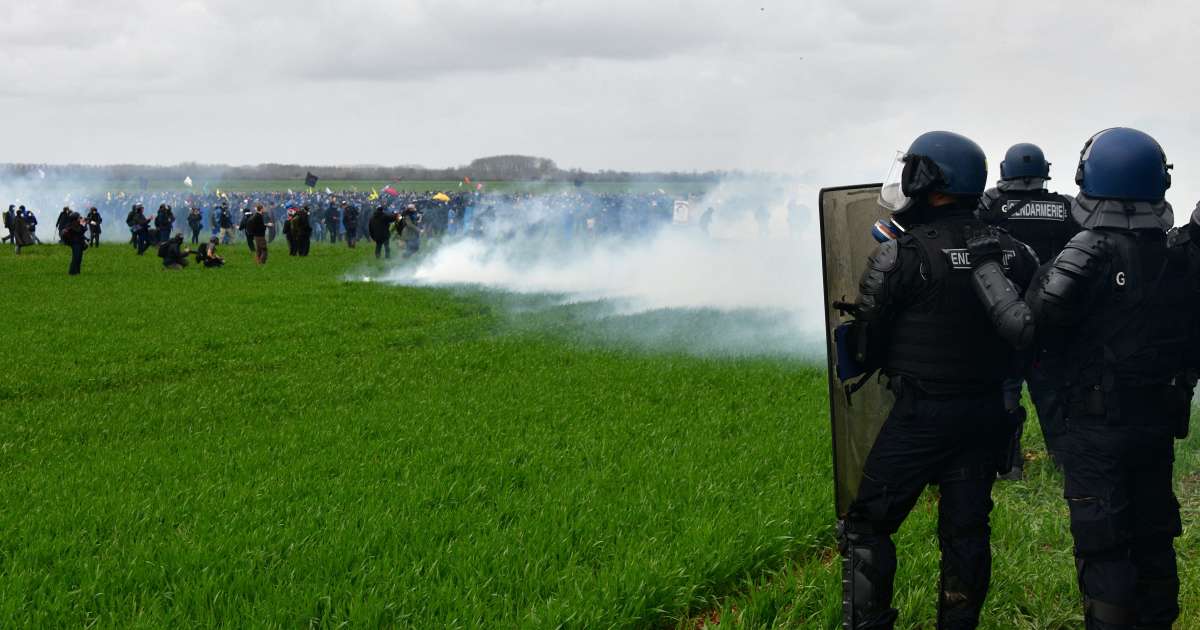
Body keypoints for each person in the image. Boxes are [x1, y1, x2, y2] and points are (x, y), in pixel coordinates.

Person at [840, 131, 1039, 629]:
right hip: (986, 415)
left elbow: (866, 346)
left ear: (930, 180)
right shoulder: (1015, 253)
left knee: (867, 526)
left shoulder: (900, 255)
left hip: (920, 418)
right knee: (966, 532)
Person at [1026, 128, 1193, 629]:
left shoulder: (1086, 252)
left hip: (1095, 430)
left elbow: (1036, 324)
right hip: (1157, 424)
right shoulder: (1180, 254)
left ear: (1088, 176)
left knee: (1104, 547)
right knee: (1153, 538)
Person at [977, 142, 1080, 478]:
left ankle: (1009, 467)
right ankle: (1065, 463)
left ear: (1006, 171)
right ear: (1043, 171)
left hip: (1003, 315)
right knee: (1051, 393)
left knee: (1006, 390)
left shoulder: (991, 204)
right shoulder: (1065, 207)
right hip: (1051, 315)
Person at [61, 211, 87, 275]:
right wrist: (82, 224)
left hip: (79, 243)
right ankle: (72, 272)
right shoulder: (72, 225)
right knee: (76, 257)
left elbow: (82, 230)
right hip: (75, 243)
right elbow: (79, 231)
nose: (80, 218)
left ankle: (77, 271)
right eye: (78, 217)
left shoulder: (76, 224)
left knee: (79, 258)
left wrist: (83, 224)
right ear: (75, 218)